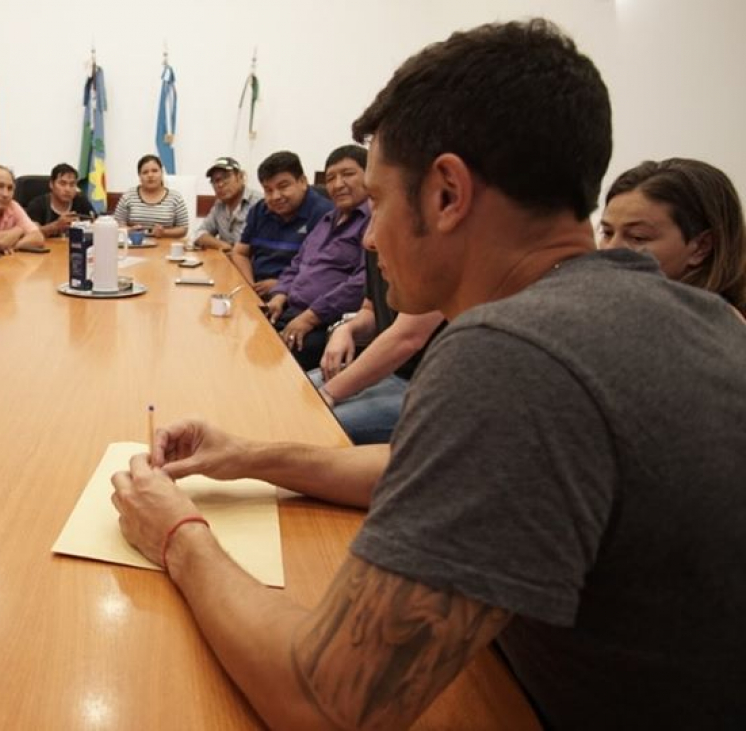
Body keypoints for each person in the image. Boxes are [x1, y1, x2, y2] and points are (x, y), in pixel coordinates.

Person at [110, 19, 746, 728]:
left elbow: (325, 700)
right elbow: (436, 475)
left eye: (379, 201)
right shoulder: (691, 315)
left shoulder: (513, 353)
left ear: (447, 193)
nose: (371, 235)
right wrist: (247, 456)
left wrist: (176, 533)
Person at [313, 251, 445, 444]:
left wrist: (329, 393)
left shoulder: (434, 255)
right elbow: (370, 311)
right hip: (389, 372)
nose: (368, 239)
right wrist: (346, 329)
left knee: (318, 423)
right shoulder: (376, 247)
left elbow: (407, 338)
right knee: (294, 393)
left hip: (426, 387)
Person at [265, 145, 370, 369]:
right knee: (245, 334)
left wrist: (311, 317)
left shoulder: (373, 222)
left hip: (326, 323)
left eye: (348, 174)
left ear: (370, 176)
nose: (338, 184)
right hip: (292, 310)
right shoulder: (327, 219)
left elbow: (363, 281)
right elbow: (298, 263)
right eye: (331, 178)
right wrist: (279, 294)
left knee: (275, 362)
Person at [600, 157, 746, 313]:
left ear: (702, 247)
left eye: (638, 237)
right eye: (607, 233)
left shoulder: (724, 329)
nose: (611, 249)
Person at [231, 151, 333, 297]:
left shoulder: (325, 214)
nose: (275, 196)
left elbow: (324, 271)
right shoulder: (260, 210)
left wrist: (282, 285)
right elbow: (240, 253)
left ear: (303, 182)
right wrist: (250, 288)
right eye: (268, 190)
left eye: (283, 186)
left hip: (299, 296)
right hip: (259, 291)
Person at [112, 154, 189, 238]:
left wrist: (165, 232)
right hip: (134, 246)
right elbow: (117, 225)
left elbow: (183, 228)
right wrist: (129, 230)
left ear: (161, 173)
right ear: (139, 176)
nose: (150, 175)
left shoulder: (175, 197)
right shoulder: (128, 196)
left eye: (155, 171)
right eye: (145, 172)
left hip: (166, 247)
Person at [193, 157, 261, 252]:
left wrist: (236, 253)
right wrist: (224, 246)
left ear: (240, 177)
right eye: (215, 181)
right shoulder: (219, 205)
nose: (220, 184)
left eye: (226, 177)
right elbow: (199, 233)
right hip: (227, 262)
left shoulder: (259, 203)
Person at [25, 163, 94, 238]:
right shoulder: (38, 204)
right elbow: (31, 234)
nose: (68, 189)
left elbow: (95, 223)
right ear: (51, 184)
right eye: (62, 183)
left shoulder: (81, 201)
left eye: (72, 184)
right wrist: (56, 226)